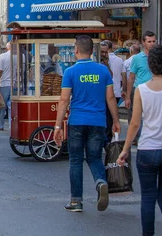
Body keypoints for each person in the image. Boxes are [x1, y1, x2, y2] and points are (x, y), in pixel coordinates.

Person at [117, 46, 162, 236]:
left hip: (147, 150)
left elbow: (135, 123)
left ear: (151, 66)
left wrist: (125, 149)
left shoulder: (142, 90)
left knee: (148, 197)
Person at [54, 35, 121, 213]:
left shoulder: (70, 72)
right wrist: (115, 120)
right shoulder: (103, 71)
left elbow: (64, 100)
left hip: (77, 121)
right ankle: (100, 182)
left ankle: (76, 201)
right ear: (92, 51)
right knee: (94, 157)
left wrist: (58, 126)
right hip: (98, 122)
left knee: (75, 160)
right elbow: (110, 97)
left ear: (76, 50)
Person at [126, 30, 157, 141]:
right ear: (143, 43)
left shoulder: (158, 57)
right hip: (140, 91)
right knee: (138, 115)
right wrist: (128, 96)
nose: (152, 44)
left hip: (155, 90)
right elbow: (131, 77)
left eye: (153, 41)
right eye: (149, 41)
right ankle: (139, 139)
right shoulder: (137, 58)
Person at [101, 40, 127, 144]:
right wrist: (124, 90)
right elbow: (124, 76)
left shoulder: (109, 61)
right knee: (108, 116)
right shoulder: (119, 60)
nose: (103, 54)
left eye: (104, 51)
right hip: (114, 92)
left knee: (108, 116)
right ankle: (106, 138)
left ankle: (106, 139)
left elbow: (112, 75)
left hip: (109, 93)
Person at [0, 42, 12, 131]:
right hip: (15, 84)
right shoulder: (21, 56)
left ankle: (0, 124)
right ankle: (12, 125)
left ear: (6, 48)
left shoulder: (2, 56)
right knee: (12, 106)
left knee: (1, 105)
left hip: (4, 84)